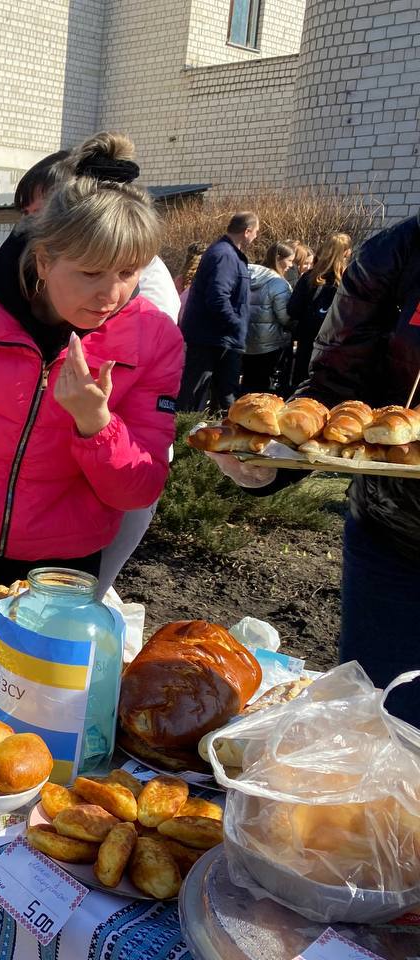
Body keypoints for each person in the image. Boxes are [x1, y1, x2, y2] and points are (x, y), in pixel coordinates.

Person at [0, 133, 183, 607]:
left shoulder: (154, 339)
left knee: (36, 682)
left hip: (60, 569)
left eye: (128, 273)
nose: (111, 294)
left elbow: (140, 488)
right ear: (45, 260)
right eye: (91, 273)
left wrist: (96, 425)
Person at [208, 216, 420, 726]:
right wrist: (272, 462)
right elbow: (334, 385)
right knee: (382, 730)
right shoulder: (399, 253)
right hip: (397, 544)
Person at [178, 211, 259, 412]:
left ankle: (215, 435)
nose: (257, 236)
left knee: (222, 393)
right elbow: (218, 296)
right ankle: (183, 434)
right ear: (247, 231)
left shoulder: (225, 253)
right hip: (214, 337)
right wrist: (235, 323)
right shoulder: (225, 255)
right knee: (196, 393)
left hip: (218, 337)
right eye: (256, 232)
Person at [288, 233, 352, 388]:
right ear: (346, 252)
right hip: (336, 343)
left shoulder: (310, 277)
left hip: (308, 340)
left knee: (302, 384)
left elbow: (293, 309)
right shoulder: (349, 279)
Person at [240, 241, 295, 395]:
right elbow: (285, 318)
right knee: (263, 388)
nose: (291, 265)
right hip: (269, 344)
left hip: (246, 340)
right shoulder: (279, 284)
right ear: (279, 258)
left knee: (247, 383)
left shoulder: (247, 275)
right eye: (290, 260)